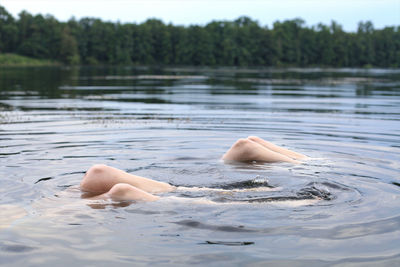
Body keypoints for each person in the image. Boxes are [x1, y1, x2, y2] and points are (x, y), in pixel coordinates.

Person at [80, 136, 308, 202]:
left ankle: (314, 165)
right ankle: (223, 196)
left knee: (99, 175)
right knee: (119, 189)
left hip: (181, 187)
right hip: (183, 190)